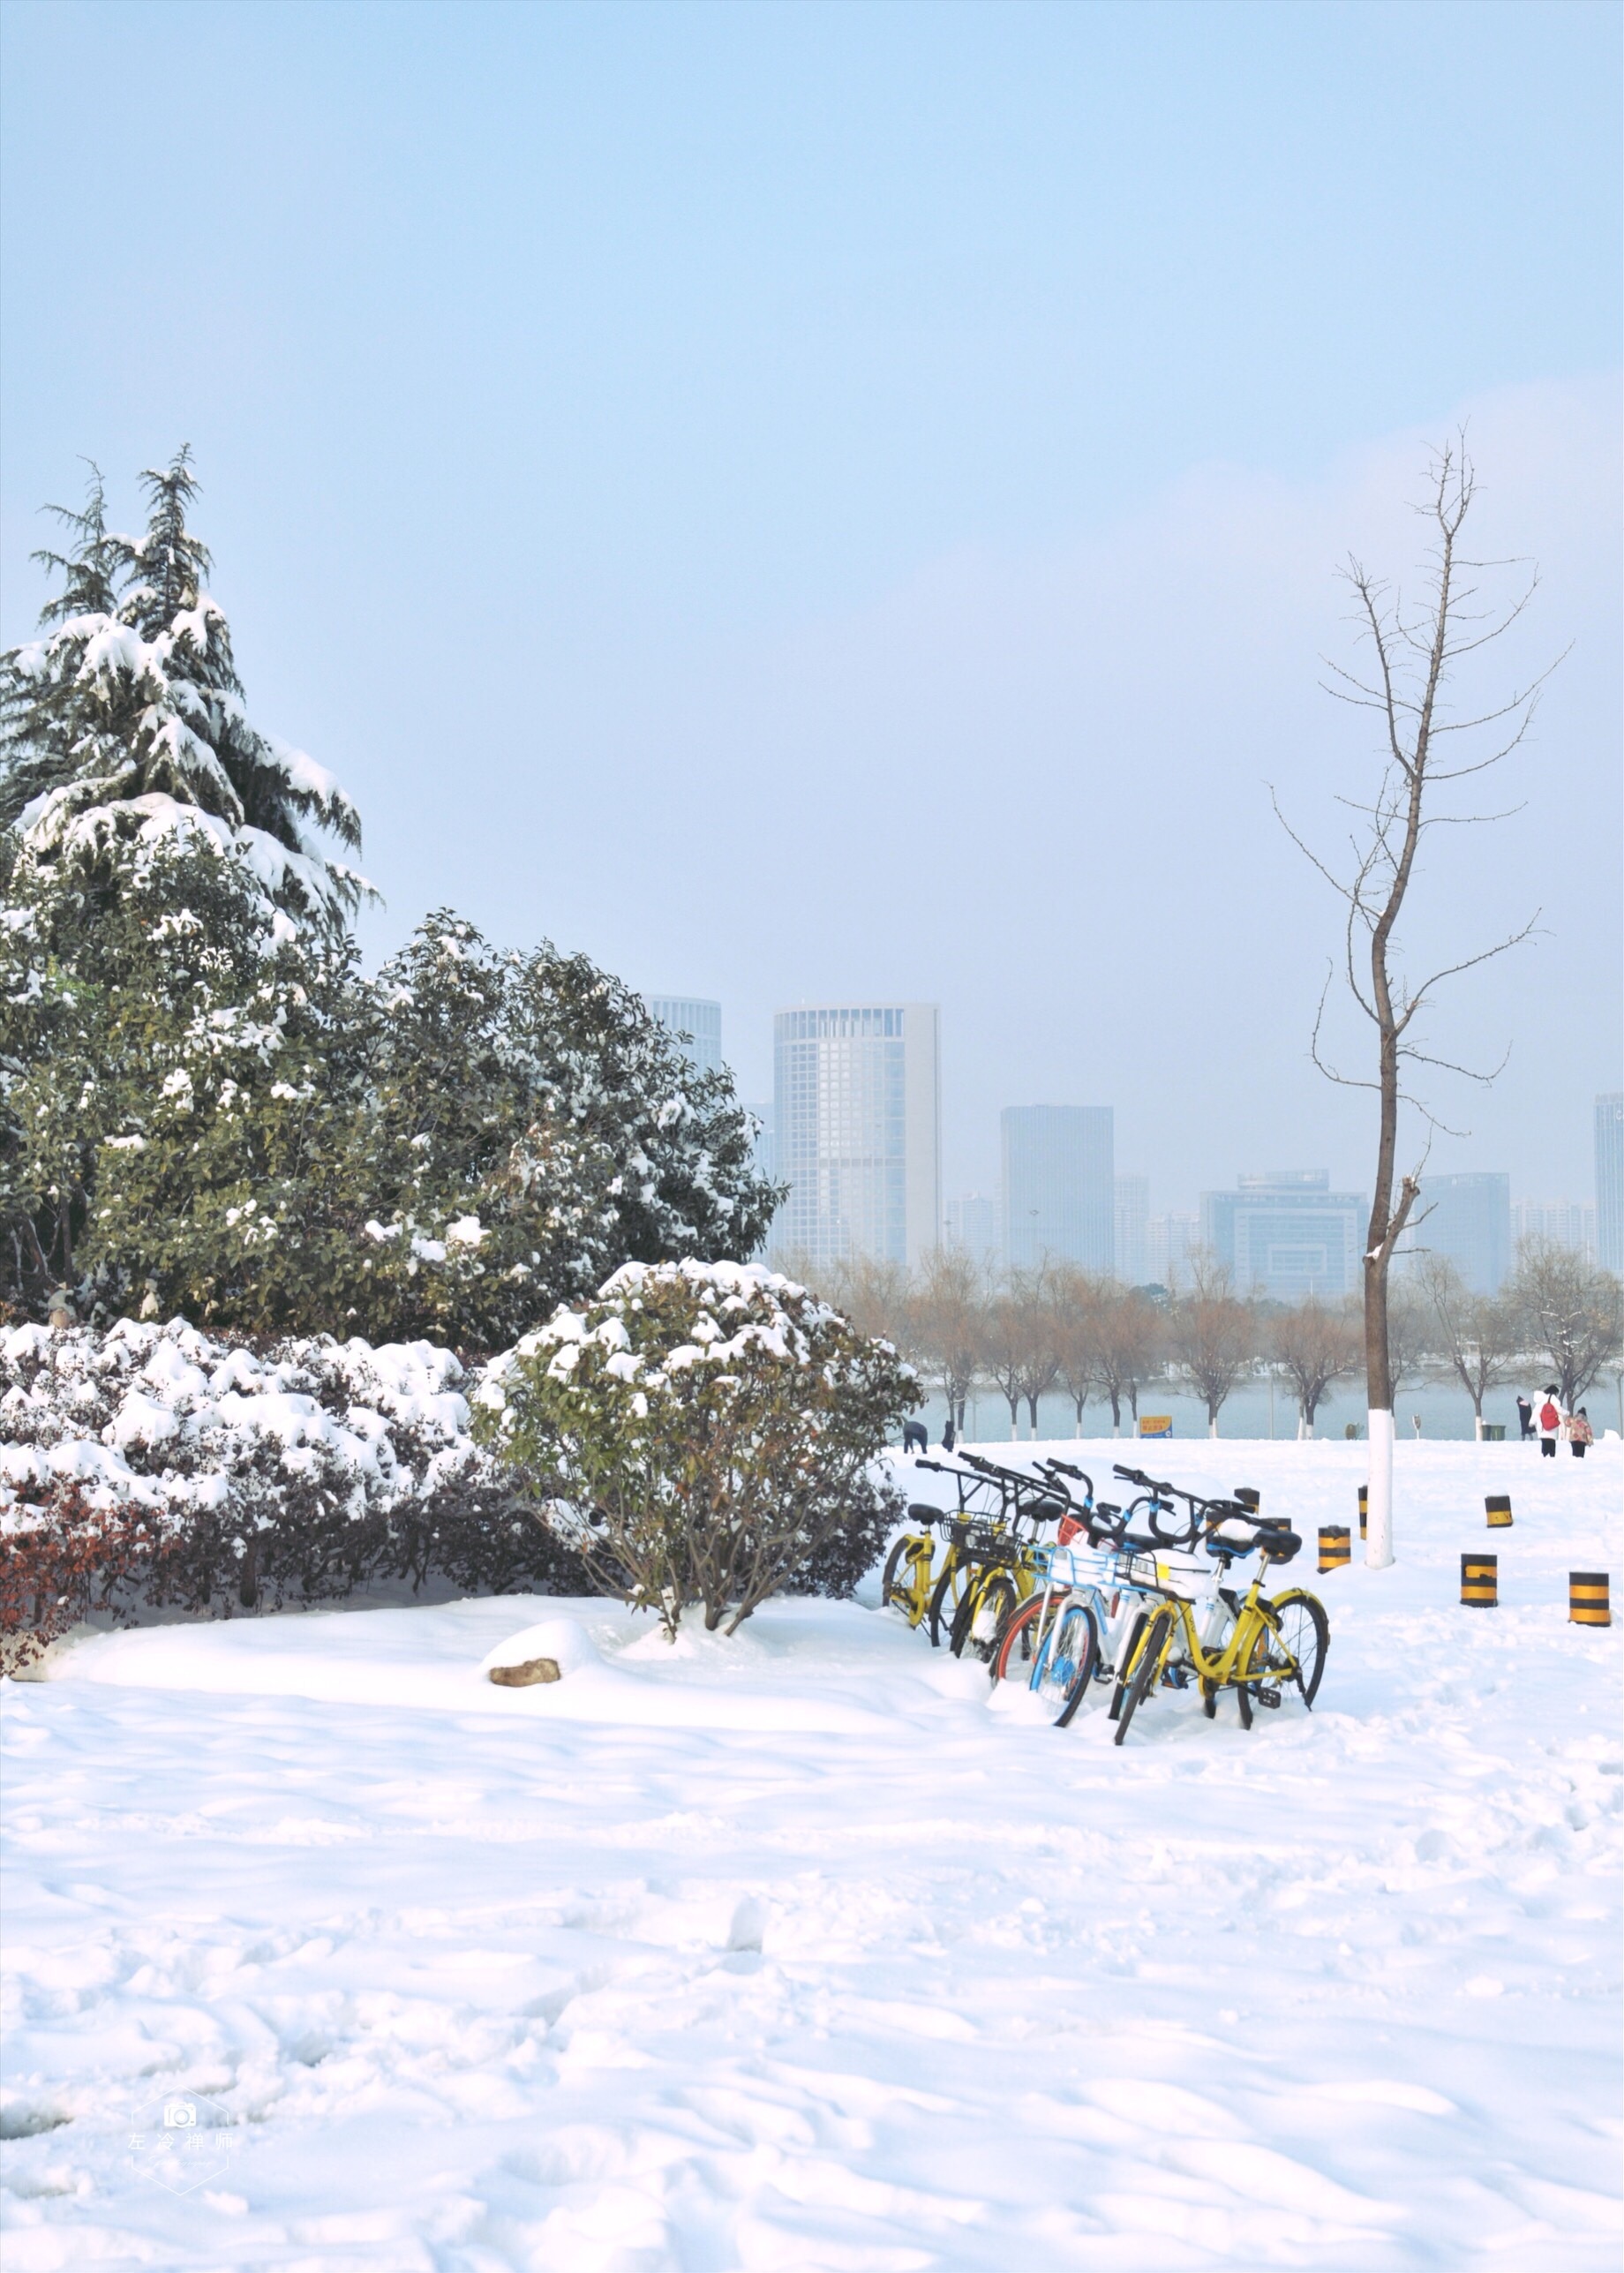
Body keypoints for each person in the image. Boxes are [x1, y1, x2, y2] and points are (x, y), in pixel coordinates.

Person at [1536, 1386, 1564, 1459]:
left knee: (1544, 1445)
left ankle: (1544, 1459)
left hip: (1542, 1426)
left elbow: (1536, 1412)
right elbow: (1559, 1410)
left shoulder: (1541, 1400)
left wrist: (1532, 1422)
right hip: (1551, 1426)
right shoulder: (1554, 1399)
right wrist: (1567, 1413)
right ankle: (1551, 1460)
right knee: (1551, 1446)